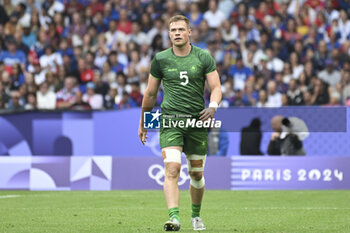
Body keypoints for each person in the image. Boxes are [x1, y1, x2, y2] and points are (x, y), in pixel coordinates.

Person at [138, 15, 222, 231]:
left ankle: (196, 215)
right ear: (169, 34)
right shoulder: (160, 59)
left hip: (197, 122)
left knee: (196, 174)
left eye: (181, 29)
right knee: (173, 168)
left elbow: (216, 87)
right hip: (170, 121)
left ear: (189, 32)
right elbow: (150, 93)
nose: (176, 33)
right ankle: (174, 218)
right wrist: (144, 122)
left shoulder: (203, 57)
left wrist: (212, 106)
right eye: (173, 30)